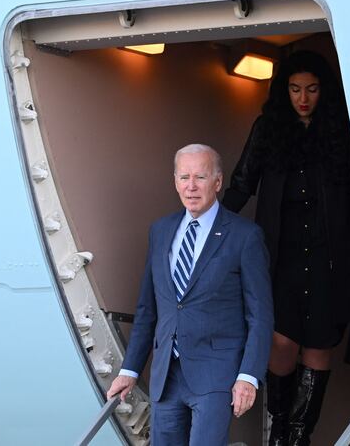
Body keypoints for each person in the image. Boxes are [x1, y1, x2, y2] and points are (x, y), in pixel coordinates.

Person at [221, 51, 350, 446]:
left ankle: (297, 437)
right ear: (284, 91)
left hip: (331, 257)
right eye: (295, 89)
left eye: (311, 89)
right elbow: (243, 182)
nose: (303, 98)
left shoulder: (341, 133)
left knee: (319, 343)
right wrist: (210, 226)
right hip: (280, 258)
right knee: (280, 341)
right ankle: (279, 429)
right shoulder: (268, 129)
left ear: (324, 91)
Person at [107, 144, 273, 446]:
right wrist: (129, 370)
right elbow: (148, 309)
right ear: (175, 182)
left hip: (216, 373)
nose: (192, 186)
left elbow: (260, 315)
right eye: (184, 177)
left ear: (218, 183)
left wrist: (248, 376)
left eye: (200, 177)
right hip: (166, 376)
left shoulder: (245, 236)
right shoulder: (160, 231)